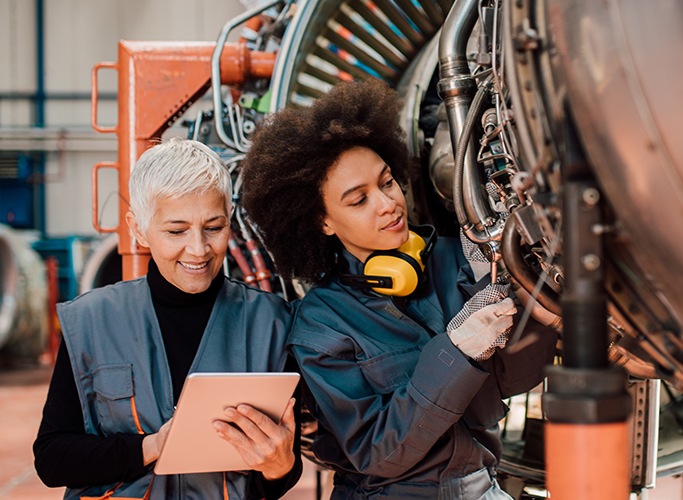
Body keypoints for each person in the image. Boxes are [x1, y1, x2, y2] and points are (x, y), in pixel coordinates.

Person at [240, 80, 558, 499]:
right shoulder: (321, 322)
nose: (388, 203)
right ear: (323, 222)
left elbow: (512, 381)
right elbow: (377, 451)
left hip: (482, 488)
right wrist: (456, 351)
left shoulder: (455, 259)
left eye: (387, 182)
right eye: (358, 200)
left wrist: (539, 308)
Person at [33, 139, 303, 500]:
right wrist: (153, 446)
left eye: (214, 226)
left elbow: (283, 465)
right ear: (138, 228)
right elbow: (52, 459)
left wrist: (279, 466)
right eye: (176, 231)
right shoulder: (91, 321)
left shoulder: (270, 323)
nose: (198, 249)